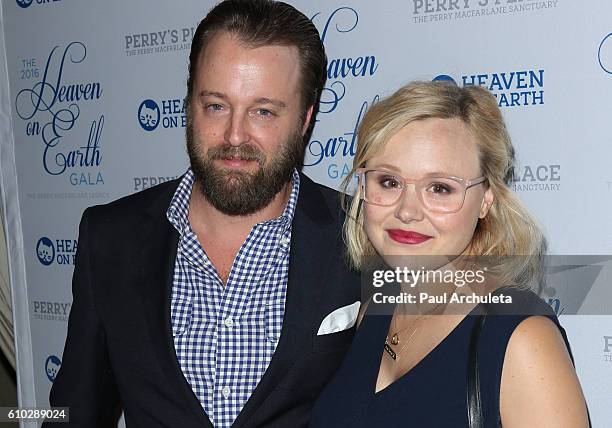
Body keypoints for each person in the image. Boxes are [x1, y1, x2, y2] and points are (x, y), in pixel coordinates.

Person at [45, 1, 361, 427]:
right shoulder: (110, 238)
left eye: (263, 111)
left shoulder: (362, 234)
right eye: (216, 105)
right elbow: (74, 413)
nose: (234, 135)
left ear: (305, 119)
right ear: (190, 104)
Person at [310, 81, 590, 427]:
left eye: (440, 188)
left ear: (486, 198)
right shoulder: (374, 304)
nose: (408, 211)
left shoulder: (522, 340)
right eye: (389, 181)